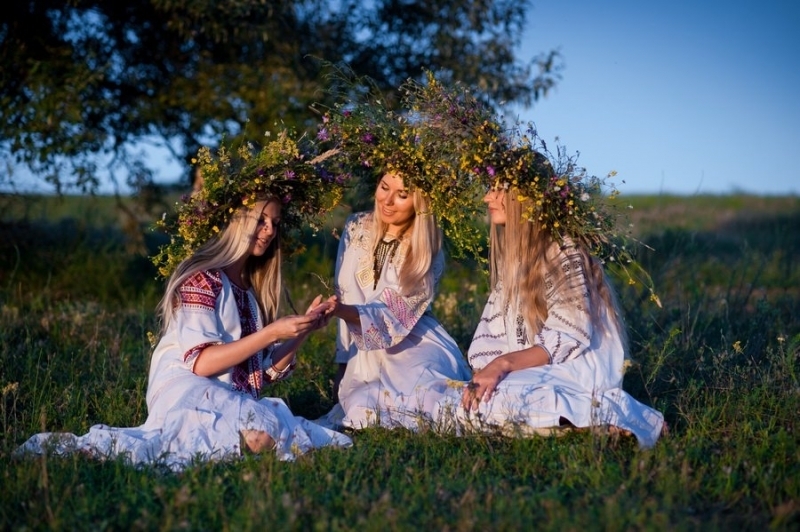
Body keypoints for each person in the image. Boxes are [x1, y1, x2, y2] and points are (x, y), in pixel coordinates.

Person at [16, 132, 352, 470]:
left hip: (227, 395)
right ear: (235, 220)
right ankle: (102, 450)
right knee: (262, 435)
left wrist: (301, 331)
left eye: (275, 224)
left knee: (266, 434)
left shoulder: (250, 292)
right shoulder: (202, 278)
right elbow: (202, 364)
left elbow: (258, 377)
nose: (269, 231)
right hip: (186, 387)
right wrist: (269, 334)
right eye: (260, 220)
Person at [434, 146, 666, 447]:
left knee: (507, 399)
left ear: (524, 197)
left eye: (497, 189)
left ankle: (624, 415)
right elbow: (491, 334)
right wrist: (484, 373)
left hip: (574, 370)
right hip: (533, 371)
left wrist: (502, 366)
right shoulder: (514, 261)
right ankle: (578, 427)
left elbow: (569, 334)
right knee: (460, 406)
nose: (487, 198)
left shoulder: (562, 250)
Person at [321, 170, 473, 430]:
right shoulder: (356, 226)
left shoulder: (426, 251)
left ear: (420, 204)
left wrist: (342, 310)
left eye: (402, 195)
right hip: (364, 349)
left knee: (427, 400)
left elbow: (395, 315)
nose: (387, 201)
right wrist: (343, 364)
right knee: (362, 410)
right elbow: (344, 291)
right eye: (384, 187)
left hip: (412, 341)